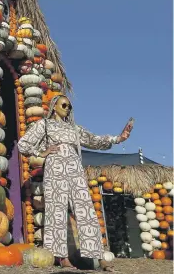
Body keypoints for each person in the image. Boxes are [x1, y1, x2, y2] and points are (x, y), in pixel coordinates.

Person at [17, 95, 133, 272]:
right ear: (54, 106)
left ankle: (99, 257)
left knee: (85, 209)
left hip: (75, 170)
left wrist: (118, 139)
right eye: (64, 104)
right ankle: (61, 258)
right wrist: (42, 151)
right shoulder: (44, 125)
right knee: (57, 210)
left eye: (70, 106)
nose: (67, 108)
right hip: (55, 169)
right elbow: (23, 145)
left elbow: (94, 140)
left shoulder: (74, 129)